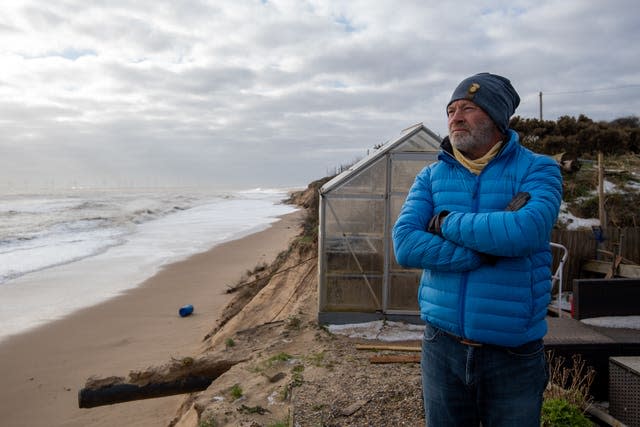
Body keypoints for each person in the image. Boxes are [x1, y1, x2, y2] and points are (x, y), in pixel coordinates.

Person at [393, 72, 563, 426]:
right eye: (451, 109)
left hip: (512, 352)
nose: (455, 117)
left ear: (497, 118)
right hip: (442, 345)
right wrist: (485, 251)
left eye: (467, 108)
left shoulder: (538, 169)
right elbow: (406, 245)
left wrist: (443, 223)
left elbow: (525, 231)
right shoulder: (431, 176)